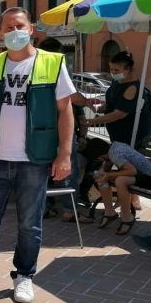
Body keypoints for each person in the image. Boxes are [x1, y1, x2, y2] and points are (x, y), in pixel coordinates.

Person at [0, 7, 75, 303]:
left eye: (19, 25)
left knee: (29, 223)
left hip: (34, 159)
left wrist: (65, 154)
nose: (14, 31)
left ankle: (24, 276)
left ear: (31, 28)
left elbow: (65, 111)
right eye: (7, 27)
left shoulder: (52, 62)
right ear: (0, 32)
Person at [38, 37, 93, 225]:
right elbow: (72, 98)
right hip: (58, 133)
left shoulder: (34, 70)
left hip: (38, 133)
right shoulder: (54, 69)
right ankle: (69, 210)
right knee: (68, 173)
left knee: (40, 173)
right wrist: (88, 101)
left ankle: (44, 207)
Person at [84, 51, 151, 149]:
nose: (113, 72)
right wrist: (104, 106)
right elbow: (114, 98)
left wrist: (94, 121)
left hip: (131, 130)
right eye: (111, 69)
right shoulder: (117, 80)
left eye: (116, 70)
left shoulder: (132, 88)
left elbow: (119, 114)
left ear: (128, 69)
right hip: (117, 130)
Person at [94, 142, 151, 234]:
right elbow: (108, 164)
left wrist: (109, 175)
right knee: (99, 176)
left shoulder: (114, 154)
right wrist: (102, 171)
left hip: (147, 176)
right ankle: (109, 211)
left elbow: (132, 171)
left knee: (120, 181)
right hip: (137, 172)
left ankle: (127, 217)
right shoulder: (112, 148)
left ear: (101, 157)